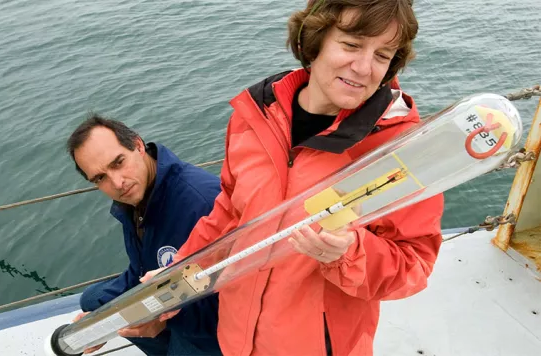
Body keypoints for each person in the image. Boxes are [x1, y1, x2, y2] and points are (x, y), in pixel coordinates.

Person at [162, 1, 444, 355]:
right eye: (351, 45)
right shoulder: (254, 118)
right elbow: (229, 215)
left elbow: (414, 264)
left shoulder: (401, 151)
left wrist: (349, 253)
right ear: (314, 40)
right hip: (237, 334)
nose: (363, 68)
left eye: (382, 55)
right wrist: (176, 279)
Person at [66, 115, 222, 355]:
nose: (117, 183)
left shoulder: (201, 202)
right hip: (171, 294)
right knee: (93, 302)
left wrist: (160, 320)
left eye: (118, 163)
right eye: (100, 178)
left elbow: (236, 298)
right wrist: (103, 322)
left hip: (213, 327)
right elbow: (143, 267)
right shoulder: (136, 195)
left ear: (138, 145)